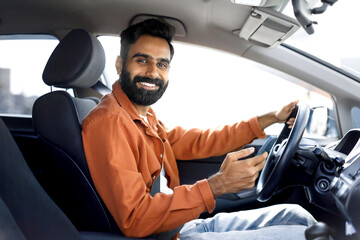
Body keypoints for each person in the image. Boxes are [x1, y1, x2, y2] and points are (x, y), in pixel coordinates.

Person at [81, 18, 316, 240]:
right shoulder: (110, 122)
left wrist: (270, 118)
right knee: (307, 236)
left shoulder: (143, 116)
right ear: (120, 65)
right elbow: (136, 218)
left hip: (177, 228)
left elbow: (200, 141)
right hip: (160, 234)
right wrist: (219, 185)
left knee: (297, 216)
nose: (153, 73)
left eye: (161, 64)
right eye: (142, 60)